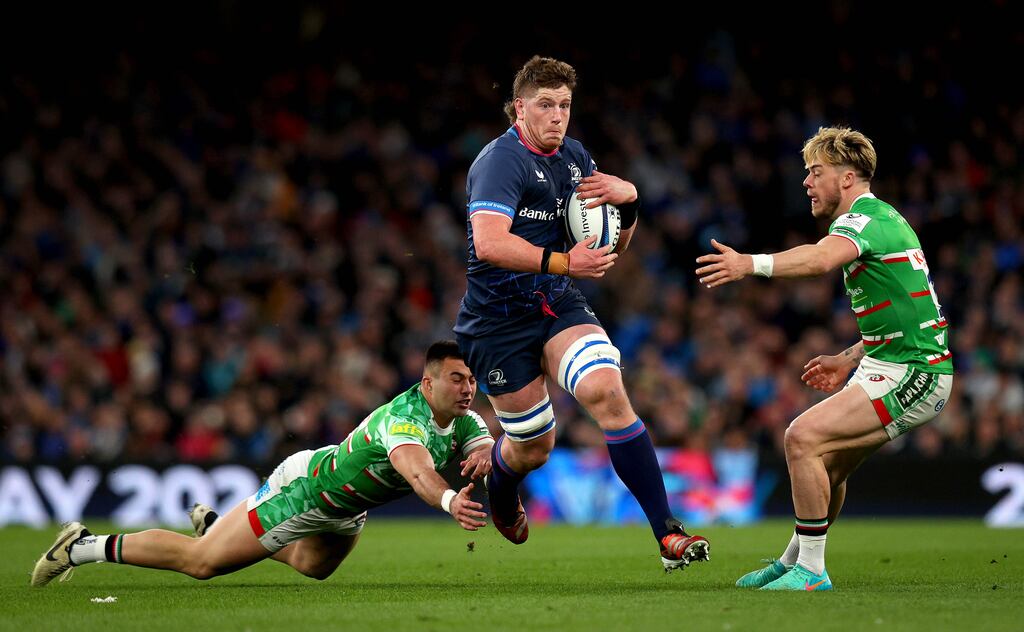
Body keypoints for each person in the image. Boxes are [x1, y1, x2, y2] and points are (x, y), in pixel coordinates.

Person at [453, 54, 709, 571]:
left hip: (556, 302)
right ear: (518, 109)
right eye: (545, 105)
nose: (557, 116)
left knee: (606, 391)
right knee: (532, 445)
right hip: (496, 321)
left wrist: (630, 204)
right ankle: (502, 491)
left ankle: (667, 533)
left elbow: (608, 249)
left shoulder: (575, 159)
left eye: (565, 105)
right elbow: (488, 242)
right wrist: (566, 260)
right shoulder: (499, 162)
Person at [696, 126, 953, 591]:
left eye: (816, 172)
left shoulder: (863, 220)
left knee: (802, 437)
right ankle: (795, 559)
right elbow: (915, 312)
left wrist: (747, 264)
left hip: (916, 371)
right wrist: (852, 356)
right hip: (890, 361)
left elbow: (818, 260)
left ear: (848, 178)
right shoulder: (884, 220)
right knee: (826, 464)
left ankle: (811, 570)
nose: (807, 183)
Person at [31, 341, 494, 587]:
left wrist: (485, 454)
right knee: (202, 563)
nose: (467, 388)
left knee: (314, 568)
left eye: (471, 379)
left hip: (345, 507)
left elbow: (484, 444)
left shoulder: (460, 417)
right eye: (456, 379)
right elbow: (418, 474)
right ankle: (82, 545)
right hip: (306, 493)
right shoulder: (404, 421)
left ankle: (217, 523)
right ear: (427, 384)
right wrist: (451, 500)